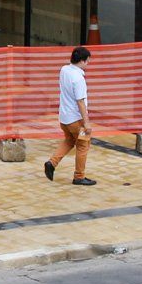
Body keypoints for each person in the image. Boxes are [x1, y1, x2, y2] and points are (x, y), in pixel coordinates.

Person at [47, 47, 95, 187]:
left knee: (69, 140)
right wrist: (87, 123)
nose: (88, 63)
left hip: (64, 118)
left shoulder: (64, 70)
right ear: (82, 61)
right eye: (87, 61)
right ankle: (79, 176)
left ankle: (52, 162)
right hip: (76, 120)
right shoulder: (78, 79)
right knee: (83, 145)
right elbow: (80, 102)